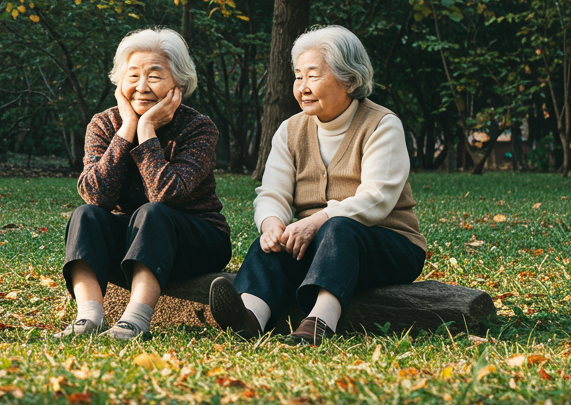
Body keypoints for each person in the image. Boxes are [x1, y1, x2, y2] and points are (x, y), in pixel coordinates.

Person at [209, 25, 426, 346]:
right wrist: (271, 225)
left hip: (389, 244)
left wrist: (316, 222)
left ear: (350, 79)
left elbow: (378, 197)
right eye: (298, 76)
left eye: (314, 75)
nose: (303, 87)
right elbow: (273, 193)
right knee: (270, 245)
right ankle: (248, 316)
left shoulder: (382, 124)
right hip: (319, 243)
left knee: (338, 229)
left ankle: (320, 321)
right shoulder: (290, 130)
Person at [56, 28, 231, 341]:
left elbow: (167, 194)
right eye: (132, 74)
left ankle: (135, 320)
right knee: (85, 214)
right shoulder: (104, 123)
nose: (141, 86)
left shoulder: (198, 127)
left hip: (196, 240)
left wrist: (147, 128)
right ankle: (89, 316)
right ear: (120, 81)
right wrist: (125, 131)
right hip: (132, 241)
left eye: (154, 75)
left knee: (153, 212)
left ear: (178, 82)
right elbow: (96, 195)